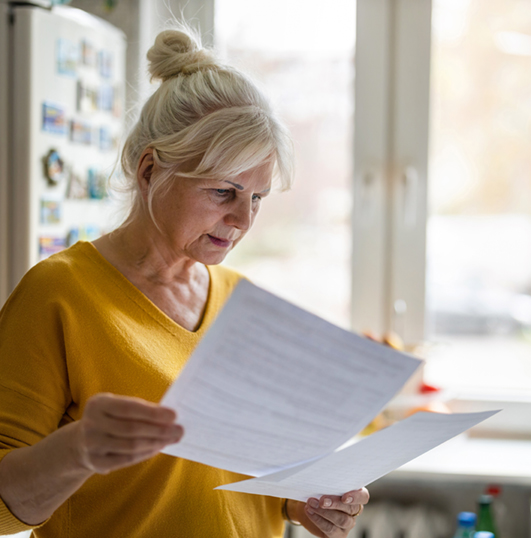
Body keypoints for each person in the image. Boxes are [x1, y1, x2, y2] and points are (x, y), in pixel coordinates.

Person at [0, 26, 369, 538]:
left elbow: (244, 473)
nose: (244, 219)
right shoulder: (59, 293)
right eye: (224, 191)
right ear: (151, 170)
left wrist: (303, 502)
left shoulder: (241, 301)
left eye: (257, 198)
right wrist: (78, 450)